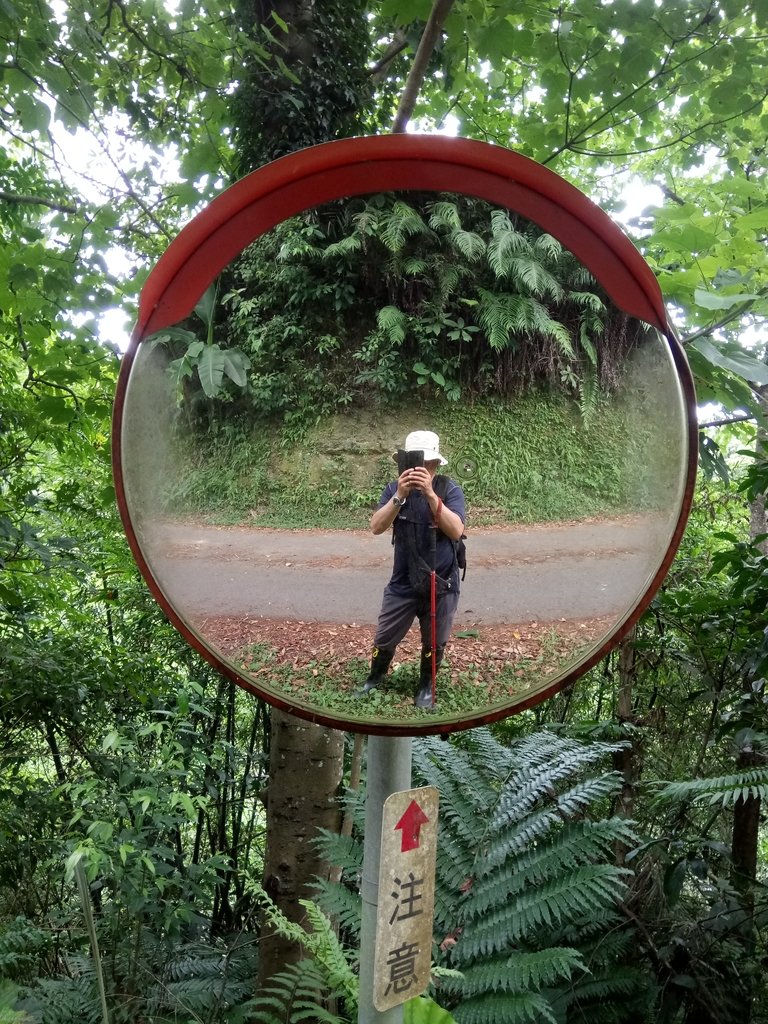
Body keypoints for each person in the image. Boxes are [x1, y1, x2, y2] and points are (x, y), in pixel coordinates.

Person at [357, 430, 466, 709]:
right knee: (385, 634)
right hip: (403, 580)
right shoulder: (394, 490)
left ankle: (426, 686)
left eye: (426, 463)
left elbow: (456, 531)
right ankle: (375, 676)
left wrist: (430, 494)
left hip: (440, 582)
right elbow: (376, 527)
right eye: (415, 463)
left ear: (436, 465)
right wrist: (400, 495)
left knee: (435, 639)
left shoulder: (448, 489)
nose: (421, 469)